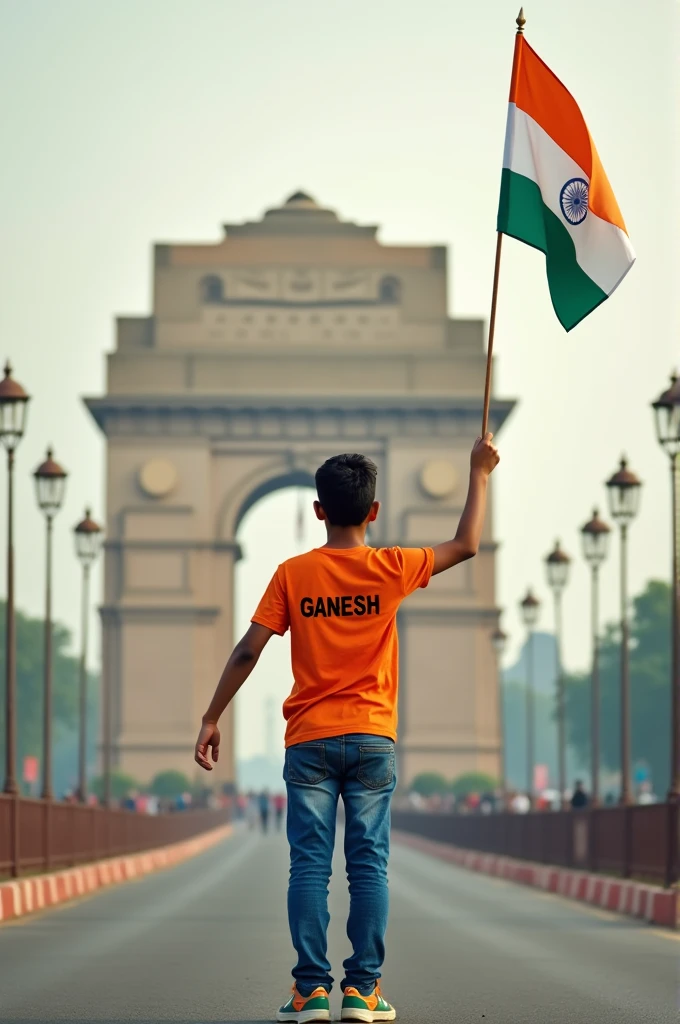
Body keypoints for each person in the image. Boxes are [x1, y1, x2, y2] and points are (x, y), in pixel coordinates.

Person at [194, 435, 499, 1023]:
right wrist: (478, 472)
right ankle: (362, 990)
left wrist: (212, 716)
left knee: (308, 863)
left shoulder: (293, 573)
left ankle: (310, 992)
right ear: (374, 511)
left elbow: (247, 652)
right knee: (369, 866)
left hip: (308, 737)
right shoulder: (391, 567)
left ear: (318, 510)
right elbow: (466, 545)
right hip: (371, 739)